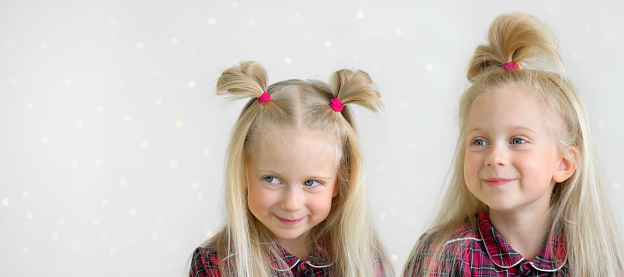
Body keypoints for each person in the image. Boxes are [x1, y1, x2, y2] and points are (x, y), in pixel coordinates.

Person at [403, 12, 624, 276]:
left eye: (517, 140)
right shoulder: (442, 255)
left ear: (563, 163)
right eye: (479, 141)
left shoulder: (592, 259)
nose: (494, 157)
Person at [189, 61, 393, 277]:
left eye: (311, 182)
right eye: (272, 179)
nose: (292, 203)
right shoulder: (215, 265)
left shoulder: (362, 262)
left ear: (340, 180)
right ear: (242, 172)